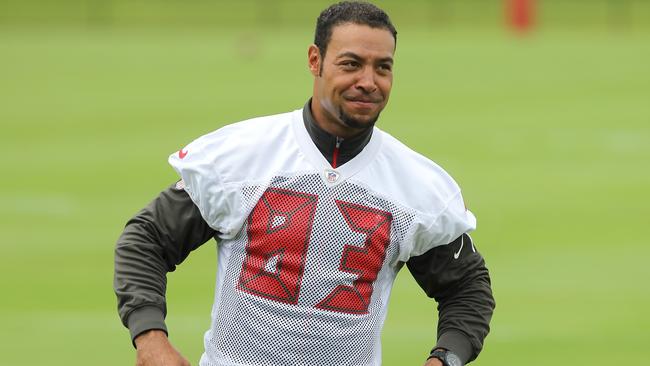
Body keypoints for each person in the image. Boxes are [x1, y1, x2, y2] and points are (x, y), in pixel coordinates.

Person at [114, 2, 495, 366]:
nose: (368, 81)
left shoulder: (415, 185)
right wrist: (150, 338)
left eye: (383, 67)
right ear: (315, 60)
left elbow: (467, 289)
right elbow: (146, 239)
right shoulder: (242, 156)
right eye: (351, 64)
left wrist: (446, 357)